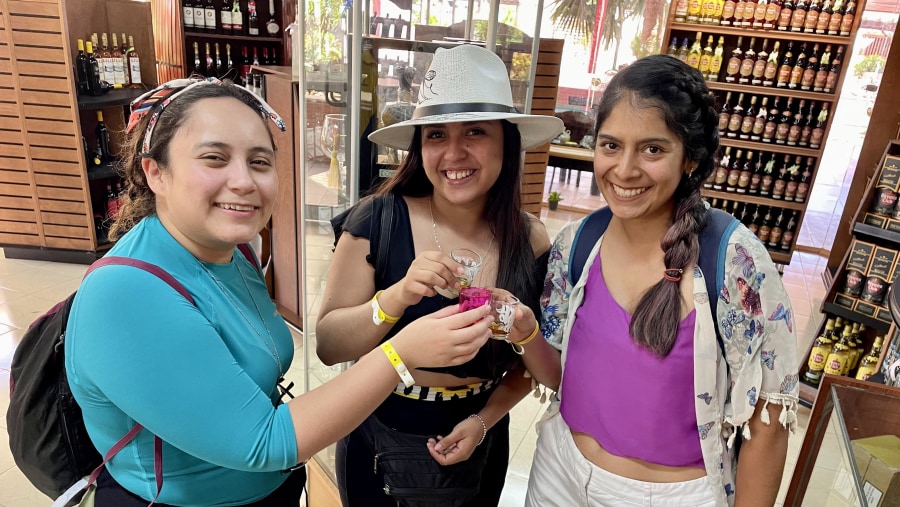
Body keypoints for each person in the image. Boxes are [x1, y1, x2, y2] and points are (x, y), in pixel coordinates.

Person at [64, 77, 494, 507]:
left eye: (259, 162)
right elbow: (263, 441)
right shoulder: (127, 294)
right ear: (155, 171)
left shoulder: (232, 254)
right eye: (214, 158)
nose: (244, 181)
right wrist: (400, 352)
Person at [526, 54, 799, 506]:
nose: (625, 170)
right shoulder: (577, 243)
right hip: (558, 472)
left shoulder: (732, 260)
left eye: (652, 149)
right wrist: (522, 331)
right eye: (611, 145)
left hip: (670, 496)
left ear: (690, 158)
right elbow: (560, 374)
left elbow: (769, 417)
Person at [316, 44, 564, 506]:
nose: (453, 153)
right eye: (435, 135)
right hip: (380, 431)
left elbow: (529, 366)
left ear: (506, 143)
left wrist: (484, 420)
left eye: (474, 132)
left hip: (481, 436)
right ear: (419, 146)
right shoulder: (379, 220)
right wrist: (394, 298)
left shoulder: (530, 239)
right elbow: (329, 346)